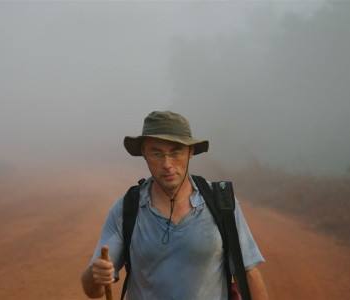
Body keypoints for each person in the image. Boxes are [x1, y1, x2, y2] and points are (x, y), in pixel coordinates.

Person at [81, 111, 268, 300]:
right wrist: (96, 276)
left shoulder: (221, 203)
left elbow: (248, 274)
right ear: (144, 154)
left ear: (191, 152)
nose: (167, 164)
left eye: (175, 152)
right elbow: (93, 291)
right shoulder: (126, 208)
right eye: (156, 153)